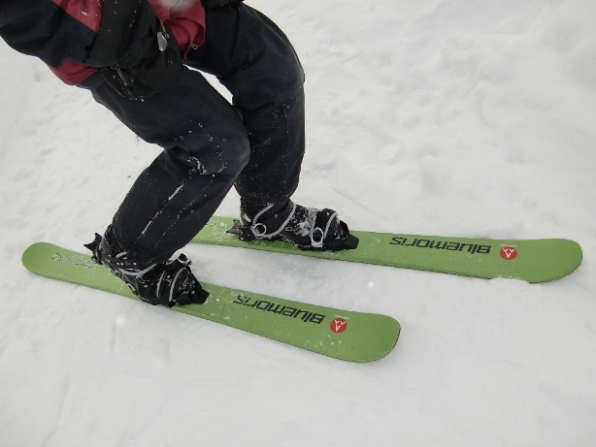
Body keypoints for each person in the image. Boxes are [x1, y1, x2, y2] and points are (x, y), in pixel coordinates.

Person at [0, 0, 358, 308]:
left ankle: (268, 208)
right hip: (108, 38)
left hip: (183, 7)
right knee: (216, 145)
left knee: (275, 72)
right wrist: (111, 26)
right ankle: (130, 253)